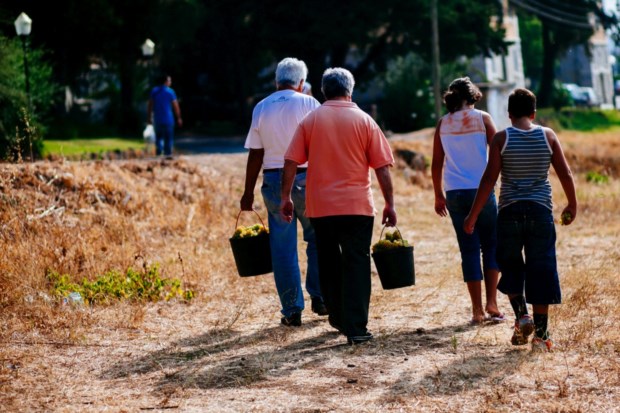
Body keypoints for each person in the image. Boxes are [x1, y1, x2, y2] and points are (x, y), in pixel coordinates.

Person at [280, 67, 397, 345]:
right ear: (350, 90)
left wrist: (285, 197)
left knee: (328, 261)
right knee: (357, 263)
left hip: (321, 207)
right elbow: (382, 167)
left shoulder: (311, 120)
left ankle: (338, 317)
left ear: (323, 91)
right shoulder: (365, 120)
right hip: (357, 206)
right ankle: (356, 328)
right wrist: (389, 203)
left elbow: (291, 161)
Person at [464, 88, 577, 352]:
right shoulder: (548, 136)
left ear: (509, 114)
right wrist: (572, 203)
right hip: (540, 211)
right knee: (542, 267)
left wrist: (473, 214)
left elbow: (489, 179)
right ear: (534, 113)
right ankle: (542, 336)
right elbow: (565, 173)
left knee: (510, 264)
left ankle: (522, 315)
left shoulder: (501, 139)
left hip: (510, 212)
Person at [241, 57, 326, 327]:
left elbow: (256, 154)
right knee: (317, 238)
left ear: (276, 80)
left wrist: (248, 192)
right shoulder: (310, 103)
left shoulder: (261, 107)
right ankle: (320, 296)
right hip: (306, 176)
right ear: (301, 82)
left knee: (282, 247)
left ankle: (292, 309)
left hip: (274, 180)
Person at [431, 77, 504, 325]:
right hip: (481, 190)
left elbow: (437, 163)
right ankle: (492, 303)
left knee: (468, 249)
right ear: (473, 95)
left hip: (454, 192)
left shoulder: (443, 123)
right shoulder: (483, 118)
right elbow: (498, 151)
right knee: (491, 245)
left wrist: (438, 194)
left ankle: (476, 311)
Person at [147, 74, 182, 157]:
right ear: (166, 81)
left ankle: (159, 155)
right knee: (168, 139)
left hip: (157, 119)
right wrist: (179, 117)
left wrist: (149, 117)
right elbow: (176, 106)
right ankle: (167, 155)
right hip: (168, 119)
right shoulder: (170, 92)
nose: (170, 82)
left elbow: (150, 105)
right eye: (169, 81)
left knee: (158, 138)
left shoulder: (154, 91)